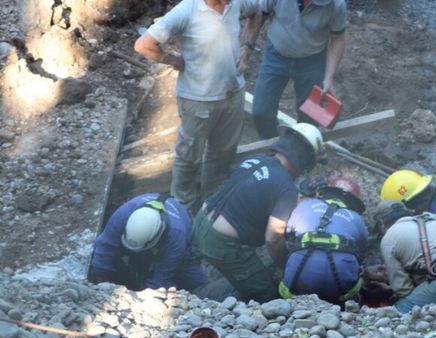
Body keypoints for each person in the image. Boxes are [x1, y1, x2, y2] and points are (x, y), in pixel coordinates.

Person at [134, 0, 260, 211]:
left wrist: (247, 46)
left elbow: (256, 13)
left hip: (232, 94)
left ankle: (212, 202)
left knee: (223, 153)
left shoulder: (236, 0)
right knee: (188, 157)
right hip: (198, 100)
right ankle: (182, 207)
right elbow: (143, 44)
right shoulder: (186, 10)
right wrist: (171, 58)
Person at [192, 123, 324, 302]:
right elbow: (273, 238)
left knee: (243, 274)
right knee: (266, 294)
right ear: (305, 159)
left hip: (201, 220)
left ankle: (200, 296)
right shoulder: (286, 188)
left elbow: (255, 192)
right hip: (221, 241)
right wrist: (282, 268)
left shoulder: (256, 159)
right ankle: (207, 302)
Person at [245, 0, 347, 138]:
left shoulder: (335, 1)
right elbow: (259, 16)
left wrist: (328, 78)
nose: (313, 0)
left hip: (312, 61)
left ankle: (301, 152)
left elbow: (338, 39)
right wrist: (247, 46)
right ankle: (272, 146)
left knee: (309, 117)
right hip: (276, 55)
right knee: (261, 111)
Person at [90, 193, 205, 291]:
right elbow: (104, 249)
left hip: (182, 245)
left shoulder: (176, 237)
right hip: (145, 236)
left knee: (192, 279)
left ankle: (204, 293)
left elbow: (162, 278)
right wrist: (101, 284)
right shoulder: (123, 215)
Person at [279, 177, 368, 304]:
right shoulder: (357, 219)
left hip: (296, 283)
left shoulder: (305, 205)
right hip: (339, 290)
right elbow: (361, 254)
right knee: (354, 288)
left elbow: (288, 237)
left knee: (285, 290)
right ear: (354, 201)